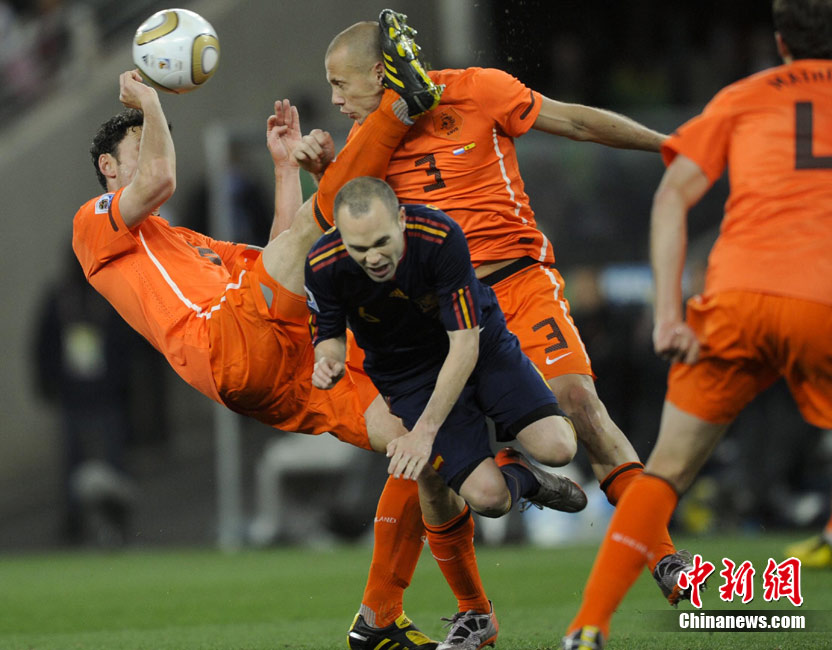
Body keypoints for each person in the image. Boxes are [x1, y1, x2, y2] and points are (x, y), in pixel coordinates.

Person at [72, 19, 486, 648]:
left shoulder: (186, 241)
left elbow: (283, 259)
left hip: (285, 367)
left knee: (420, 445)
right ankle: (398, 109)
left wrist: (285, 172)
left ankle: (390, 618)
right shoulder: (95, 225)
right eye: (142, 144)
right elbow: (159, 179)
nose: (157, 149)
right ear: (108, 166)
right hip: (224, 346)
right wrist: (151, 102)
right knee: (317, 234)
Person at [288, 12, 693, 643]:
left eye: (341, 84)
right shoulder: (371, 138)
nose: (336, 100)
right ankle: (459, 609)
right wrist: (319, 170)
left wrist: (667, 144)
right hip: (433, 315)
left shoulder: (480, 89)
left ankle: (665, 559)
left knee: (578, 403)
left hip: (517, 282)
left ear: (379, 73)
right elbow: (340, 225)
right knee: (425, 465)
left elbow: (576, 122)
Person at [561, 1, 832, 647]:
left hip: (734, 298)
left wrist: (667, 315)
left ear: (779, 41)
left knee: (666, 471)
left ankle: (587, 626)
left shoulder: (742, 97)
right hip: (822, 300)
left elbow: (671, 196)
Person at [306, 175, 587, 646]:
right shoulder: (324, 263)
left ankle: (528, 469)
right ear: (341, 238)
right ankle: (517, 487)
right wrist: (328, 361)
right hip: (409, 376)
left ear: (401, 220)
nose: (373, 257)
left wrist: (423, 433)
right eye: (359, 248)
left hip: (478, 344)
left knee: (559, 447)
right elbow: (329, 335)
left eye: (381, 242)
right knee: (490, 500)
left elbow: (464, 346)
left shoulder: (438, 235)